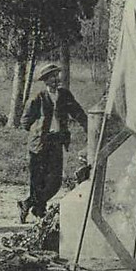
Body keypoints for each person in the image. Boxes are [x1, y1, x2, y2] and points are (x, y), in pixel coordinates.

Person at [18, 61, 88, 222]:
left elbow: (78, 112)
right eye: (51, 77)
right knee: (37, 180)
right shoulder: (38, 98)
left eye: (57, 76)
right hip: (39, 144)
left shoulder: (64, 95)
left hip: (57, 141)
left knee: (55, 181)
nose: (56, 80)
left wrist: (89, 127)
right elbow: (25, 122)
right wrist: (39, 131)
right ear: (45, 80)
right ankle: (39, 210)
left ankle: (27, 203)